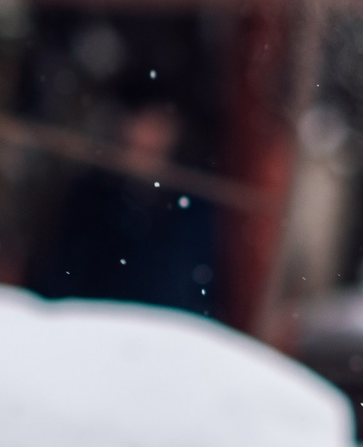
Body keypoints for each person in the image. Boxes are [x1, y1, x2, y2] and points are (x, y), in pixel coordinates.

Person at [26, 103, 219, 316]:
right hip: (90, 317)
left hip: (159, 323)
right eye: (140, 122)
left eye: (157, 126)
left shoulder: (191, 208)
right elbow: (63, 275)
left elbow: (191, 292)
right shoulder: (91, 197)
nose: (146, 136)